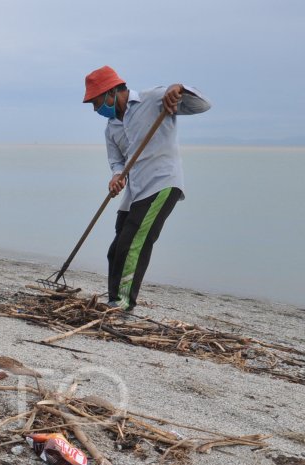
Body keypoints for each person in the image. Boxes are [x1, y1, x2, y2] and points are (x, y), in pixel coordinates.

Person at [83, 66, 210, 310]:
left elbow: (202, 105)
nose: (95, 108)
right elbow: (117, 161)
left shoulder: (153, 99)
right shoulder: (111, 128)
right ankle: (114, 298)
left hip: (162, 183)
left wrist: (179, 89)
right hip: (134, 190)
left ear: (110, 92)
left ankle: (123, 301)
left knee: (135, 243)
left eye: (95, 101)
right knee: (116, 248)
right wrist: (117, 176)